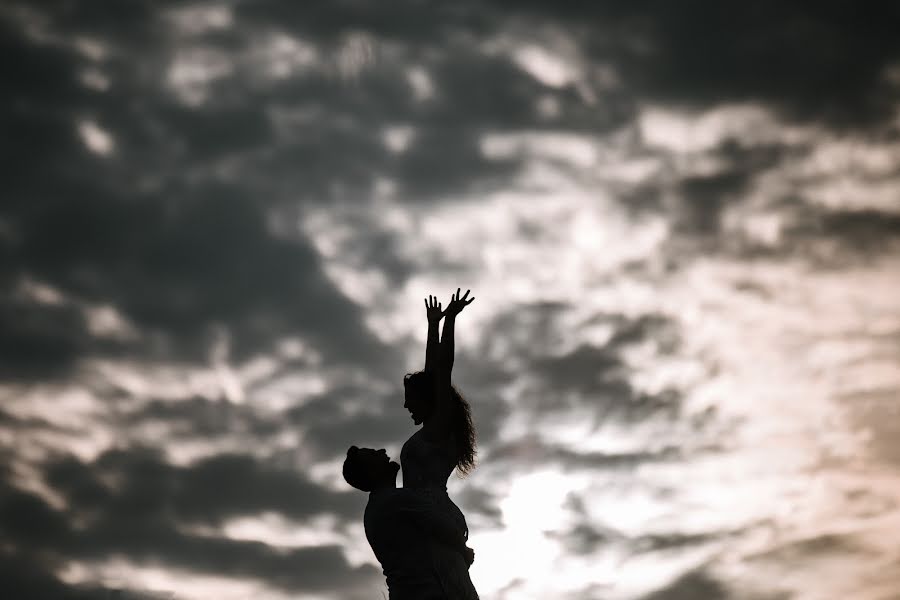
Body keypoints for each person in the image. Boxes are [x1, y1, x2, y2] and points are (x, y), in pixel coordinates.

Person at [401, 289, 479, 599]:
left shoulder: (437, 429)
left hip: (432, 511)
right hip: (424, 513)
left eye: (410, 401)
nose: (407, 408)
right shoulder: (433, 430)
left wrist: (450, 321)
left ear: (426, 400)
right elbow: (433, 370)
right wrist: (433, 324)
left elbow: (441, 371)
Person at [342, 445, 474, 600]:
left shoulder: (379, 506)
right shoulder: (396, 500)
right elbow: (449, 530)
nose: (382, 451)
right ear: (371, 472)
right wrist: (463, 550)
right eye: (373, 455)